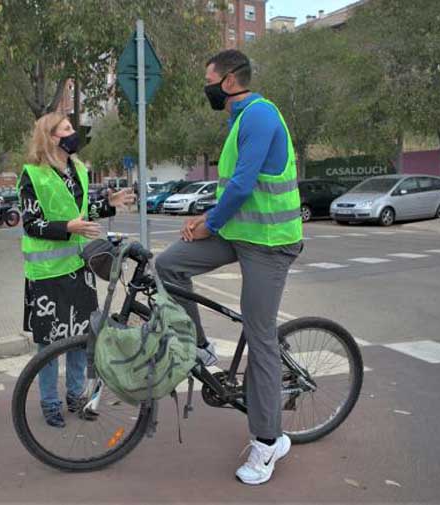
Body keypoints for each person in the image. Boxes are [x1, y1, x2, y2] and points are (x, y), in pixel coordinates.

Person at [154, 50, 303, 485]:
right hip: (240, 234)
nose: (208, 88)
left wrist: (208, 225)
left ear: (231, 80)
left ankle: (268, 442)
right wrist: (204, 222)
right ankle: (200, 346)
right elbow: (232, 189)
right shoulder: (238, 118)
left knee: (260, 338)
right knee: (168, 266)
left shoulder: (258, 116)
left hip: (271, 244)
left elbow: (242, 185)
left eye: (210, 80)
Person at [19, 112, 134, 428]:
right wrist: (67, 227)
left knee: (83, 338)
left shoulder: (79, 170)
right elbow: (31, 223)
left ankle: (74, 395)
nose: (74, 133)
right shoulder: (33, 174)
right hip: (47, 274)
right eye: (67, 128)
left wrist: (110, 203)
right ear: (50, 136)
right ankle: (50, 403)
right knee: (50, 345)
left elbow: (83, 212)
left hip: (79, 268)